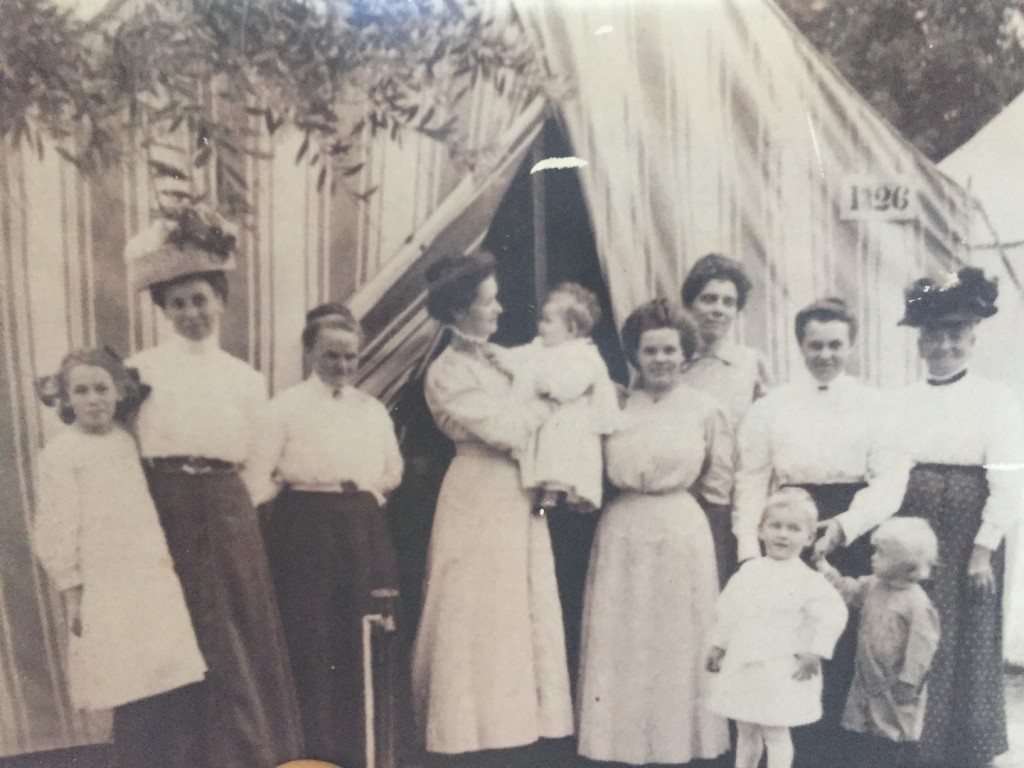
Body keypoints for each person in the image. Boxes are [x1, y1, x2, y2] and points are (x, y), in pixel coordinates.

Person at [124, 204, 304, 767]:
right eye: (178, 304)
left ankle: (239, 753)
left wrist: (227, 507)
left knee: (232, 632)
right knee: (172, 628)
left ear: (220, 300)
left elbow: (257, 461)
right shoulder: (142, 371)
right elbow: (129, 447)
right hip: (166, 508)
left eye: (201, 299)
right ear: (164, 311)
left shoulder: (245, 379)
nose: (192, 313)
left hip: (227, 511)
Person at [734, 297, 910, 768]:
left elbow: (891, 479)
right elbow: (750, 480)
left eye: (835, 345)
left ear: (851, 344)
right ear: (800, 346)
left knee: (843, 646)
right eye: (816, 345)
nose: (826, 355)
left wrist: (847, 526)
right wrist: (751, 552)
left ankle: (842, 756)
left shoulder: (874, 404)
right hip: (789, 531)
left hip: (848, 533)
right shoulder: (773, 406)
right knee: (787, 644)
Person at [412, 251, 573, 760]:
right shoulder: (446, 372)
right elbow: (503, 430)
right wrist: (549, 403)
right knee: (477, 606)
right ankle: (469, 732)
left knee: (519, 604)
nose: (500, 310)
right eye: (489, 301)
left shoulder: (504, 360)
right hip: (477, 493)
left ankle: (518, 727)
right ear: (459, 311)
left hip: (517, 494)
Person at [31, 348, 206, 768]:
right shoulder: (61, 454)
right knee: (130, 689)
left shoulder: (126, 442)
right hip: (107, 584)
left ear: (119, 393)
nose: (93, 399)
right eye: (82, 391)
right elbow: (56, 527)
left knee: (167, 680)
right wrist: (73, 590)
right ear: (66, 400)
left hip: (149, 578)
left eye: (102, 389)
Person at [576, 299, 732, 765]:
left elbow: (720, 485)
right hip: (623, 528)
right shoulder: (615, 405)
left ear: (686, 353)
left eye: (670, 350)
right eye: (651, 351)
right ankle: (620, 746)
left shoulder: (707, 410)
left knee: (678, 639)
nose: (661, 360)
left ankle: (679, 745)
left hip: (682, 530)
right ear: (635, 356)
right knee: (625, 637)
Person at [892, 266, 1024, 768]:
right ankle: (914, 746)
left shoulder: (996, 399)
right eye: (934, 335)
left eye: (956, 334)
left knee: (964, 636)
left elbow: (1008, 478)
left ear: (972, 337)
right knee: (914, 629)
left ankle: (965, 752)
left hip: (970, 529)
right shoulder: (902, 401)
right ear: (920, 342)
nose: (945, 345)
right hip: (914, 526)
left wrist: (983, 549)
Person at [261, 303, 404, 766]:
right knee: (313, 636)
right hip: (305, 528)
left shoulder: (372, 410)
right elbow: (259, 477)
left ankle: (364, 751)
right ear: (309, 354)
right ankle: (315, 754)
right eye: (331, 356)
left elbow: (391, 470)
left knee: (362, 633)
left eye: (350, 357)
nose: (342, 366)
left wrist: (365, 499)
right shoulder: (284, 407)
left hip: (361, 527)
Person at [707, 487, 848, 768]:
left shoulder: (808, 580)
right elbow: (728, 610)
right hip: (746, 664)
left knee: (775, 731)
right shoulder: (748, 572)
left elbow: (833, 614)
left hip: (780, 668)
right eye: (776, 526)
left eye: (793, 529)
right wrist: (719, 644)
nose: (783, 534)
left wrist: (815, 651)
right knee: (746, 728)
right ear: (761, 531)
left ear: (809, 538)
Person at [817, 517, 941, 768]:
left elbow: (922, 647)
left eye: (881, 554)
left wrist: (909, 681)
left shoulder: (917, 604)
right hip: (867, 676)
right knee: (860, 733)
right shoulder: (873, 586)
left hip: (895, 684)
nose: (872, 557)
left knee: (890, 738)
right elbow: (846, 588)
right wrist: (824, 567)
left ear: (904, 565)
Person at [680, 253, 773, 586]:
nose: (718, 309)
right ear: (690, 304)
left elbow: (767, 437)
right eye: (708, 299)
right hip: (680, 498)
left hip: (731, 504)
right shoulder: (670, 362)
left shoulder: (751, 365)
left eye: (728, 302)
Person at [509, 281, 620, 516]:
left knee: (561, 458)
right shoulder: (540, 347)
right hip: (549, 418)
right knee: (543, 455)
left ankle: (557, 493)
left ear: (571, 329)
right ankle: (543, 492)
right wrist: (501, 357)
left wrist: (551, 387)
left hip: (571, 422)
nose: (540, 325)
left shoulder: (584, 354)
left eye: (548, 321)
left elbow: (576, 381)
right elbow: (520, 358)